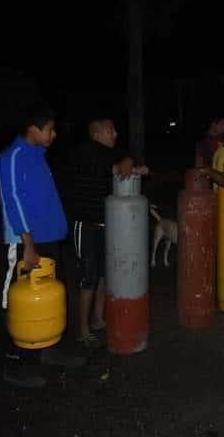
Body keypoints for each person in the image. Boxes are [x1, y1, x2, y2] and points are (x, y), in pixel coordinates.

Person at [0, 105, 85, 388]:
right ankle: (14, 362)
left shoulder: (38, 157)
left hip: (48, 240)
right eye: (50, 129)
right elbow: (14, 202)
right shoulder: (11, 158)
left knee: (47, 296)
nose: (54, 134)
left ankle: (47, 349)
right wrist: (29, 245)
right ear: (34, 129)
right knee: (18, 298)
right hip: (26, 242)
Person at [65, 118, 148, 349]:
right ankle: (83, 331)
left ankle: (98, 319)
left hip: (107, 225)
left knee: (103, 274)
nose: (116, 134)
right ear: (98, 133)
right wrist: (125, 165)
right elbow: (107, 167)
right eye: (111, 130)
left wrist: (129, 161)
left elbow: (126, 160)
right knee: (89, 276)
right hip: (87, 224)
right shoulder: (84, 153)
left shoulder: (107, 152)